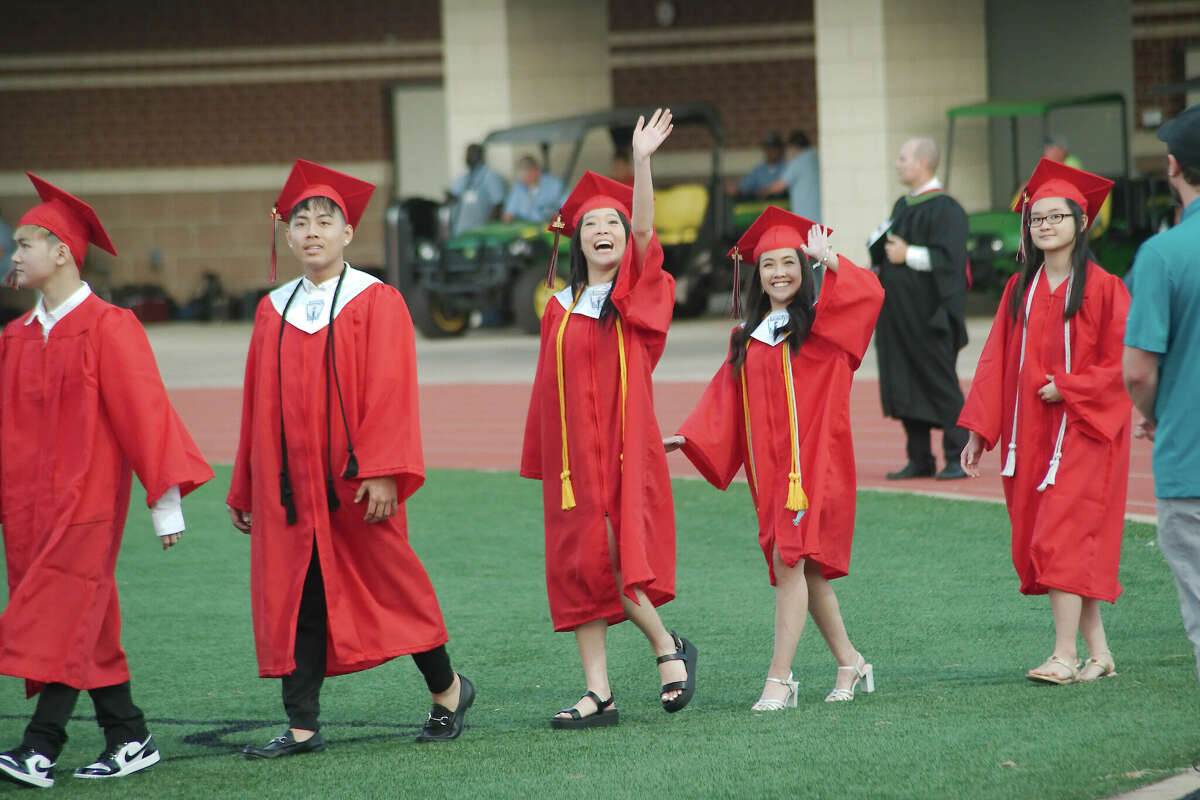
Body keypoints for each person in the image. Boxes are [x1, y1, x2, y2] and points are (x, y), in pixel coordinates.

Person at [228, 159, 474, 759]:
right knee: (299, 595)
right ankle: (303, 724)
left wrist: (385, 469)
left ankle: (447, 690)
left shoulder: (376, 300)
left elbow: (391, 390)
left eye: (324, 221)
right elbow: (256, 405)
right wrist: (248, 486)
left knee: (396, 584)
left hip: (356, 484)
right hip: (291, 489)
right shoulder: (273, 310)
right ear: (287, 236)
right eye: (300, 222)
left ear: (347, 234)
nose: (312, 230)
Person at [0, 174, 213, 788]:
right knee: (84, 615)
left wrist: (165, 501)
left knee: (65, 606)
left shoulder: (109, 326)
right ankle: (129, 734)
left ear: (62, 250)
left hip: (86, 501)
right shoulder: (15, 339)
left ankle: (40, 744)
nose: (14, 257)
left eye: (24, 245)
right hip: (27, 507)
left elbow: (144, 414)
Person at [666, 207, 883, 709]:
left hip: (813, 472)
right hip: (771, 479)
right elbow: (725, 397)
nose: (779, 272)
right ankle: (851, 662)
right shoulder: (749, 336)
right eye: (768, 264)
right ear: (756, 275)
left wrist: (831, 261)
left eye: (790, 262)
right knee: (808, 572)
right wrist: (689, 436)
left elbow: (868, 295)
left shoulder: (824, 329)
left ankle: (779, 679)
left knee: (791, 566)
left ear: (803, 270)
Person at [521, 109, 697, 728]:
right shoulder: (560, 308)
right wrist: (543, 457)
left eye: (611, 223)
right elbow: (548, 389)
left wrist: (642, 162)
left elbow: (647, 235)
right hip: (573, 464)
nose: (601, 229)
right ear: (576, 239)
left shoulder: (635, 298)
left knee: (622, 565)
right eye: (590, 223)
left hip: (623, 454)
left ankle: (666, 646)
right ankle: (598, 693)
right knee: (578, 570)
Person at [960, 158, 1131, 684]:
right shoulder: (1019, 291)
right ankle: (1099, 652)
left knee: (1060, 537)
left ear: (1081, 223)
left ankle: (1063, 655)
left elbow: (1124, 362)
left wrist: (1071, 388)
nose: (1045, 226)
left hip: (1085, 431)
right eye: (1037, 219)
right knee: (1055, 540)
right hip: (1030, 435)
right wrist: (978, 432)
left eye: (1056, 217)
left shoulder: (1104, 288)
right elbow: (993, 361)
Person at [1123, 104, 1200, 685]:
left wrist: (1155, 416)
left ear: (1174, 166)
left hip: (1190, 462)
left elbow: (1138, 373)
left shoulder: (1164, 254)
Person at [869, 137, 970, 481]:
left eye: (903, 158)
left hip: (930, 315)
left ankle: (958, 456)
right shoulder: (903, 205)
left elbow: (951, 261)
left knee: (939, 382)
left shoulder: (946, 209)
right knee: (904, 380)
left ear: (923, 163)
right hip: (897, 313)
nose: (897, 164)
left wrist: (907, 254)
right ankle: (919, 458)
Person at [758, 130, 821, 222]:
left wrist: (762, 192)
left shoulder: (799, 161)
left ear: (794, 147)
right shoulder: (816, 157)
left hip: (805, 217)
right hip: (820, 216)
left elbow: (779, 186)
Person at [447, 143, 507, 236]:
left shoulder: (490, 177)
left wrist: (488, 229)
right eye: (467, 154)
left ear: (481, 156)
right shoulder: (461, 179)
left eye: (472, 154)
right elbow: (453, 200)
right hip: (460, 233)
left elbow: (498, 204)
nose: (468, 157)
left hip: (481, 235)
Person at [502, 155, 566, 223]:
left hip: (552, 227)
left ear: (537, 171)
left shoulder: (556, 185)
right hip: (525, 229)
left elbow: (568, 210)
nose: (525, 181)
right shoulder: (518, 188)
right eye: (522, 178)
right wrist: (508, 218)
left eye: (528, 176)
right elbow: (508, 214)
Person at [731, 132, 788, 196]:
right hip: (763, 205)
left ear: (780, 149)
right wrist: (736, 189)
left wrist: (767, 191)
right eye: (768, 148)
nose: (771, 151)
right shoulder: (759, 170)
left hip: (782, 205)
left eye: (774, 148)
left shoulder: (787, 168)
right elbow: (746, 185)